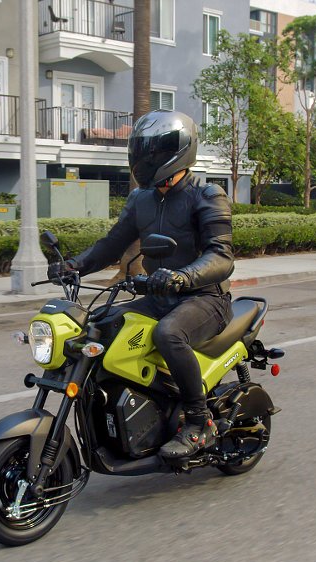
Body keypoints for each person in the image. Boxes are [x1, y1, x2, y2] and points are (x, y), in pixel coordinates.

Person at [48, 110, 235, 459]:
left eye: (157, 151)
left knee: (169, 334)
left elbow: (222, 257)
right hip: (157, 294)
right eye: (143, 151)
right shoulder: (141, 199)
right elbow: (113, 243)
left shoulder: (207, 195)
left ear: (179, 151)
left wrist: (183, 276)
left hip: (204, 298)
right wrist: (74, 265)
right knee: (100, 326)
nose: (148, 159)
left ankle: (199, 422)